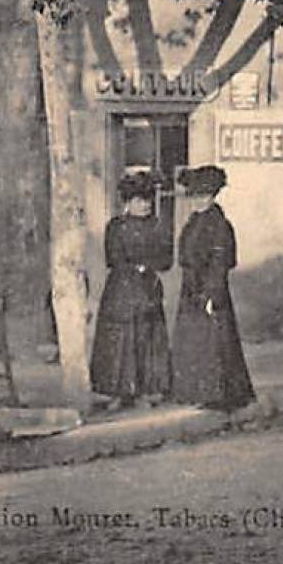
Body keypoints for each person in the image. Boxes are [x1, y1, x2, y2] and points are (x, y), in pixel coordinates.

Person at [170, 165, 254, 411]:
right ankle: (200, 391)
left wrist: (211, 295)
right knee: (195, 342)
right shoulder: (194, 222)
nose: (198, 201)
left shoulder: (219, 225)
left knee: (215, 342)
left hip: (209, 289)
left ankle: (222, 395)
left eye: (203, 196)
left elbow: (220, 263)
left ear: (212, 196)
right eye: (194, 196)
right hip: (191, 288)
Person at [90, 172, 173, 409]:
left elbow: (166, 259)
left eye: (147, 199)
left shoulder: (157, 225)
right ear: (127, 202)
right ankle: (117, 392)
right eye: (138, 200)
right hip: (121, 289)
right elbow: (114, 258)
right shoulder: (115, 227)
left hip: (148, 288)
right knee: (119, 339)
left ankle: (144, 391)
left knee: (146, 338)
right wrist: (141, 265)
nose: (144, 205)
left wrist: (147, 266)